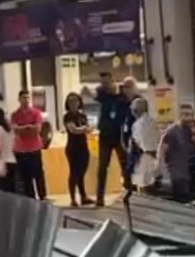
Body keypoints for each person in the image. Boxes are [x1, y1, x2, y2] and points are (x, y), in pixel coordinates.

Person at [93, 72, 132, 206]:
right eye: (102, 83)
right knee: (102, 167)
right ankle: (100, 197)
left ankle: (129, 193)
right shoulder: (102, 96)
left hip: (119, 136)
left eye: (106, 82)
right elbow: (95, 96)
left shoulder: (122, 98)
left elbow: (129, 108)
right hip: (105, 136)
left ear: (112, 81)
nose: (104, 85)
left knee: (125, 165)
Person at [11, 90, 47, 200]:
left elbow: (37, 129)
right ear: (19, 99)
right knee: (26, 176)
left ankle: (42, 196)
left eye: (27, 98)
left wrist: (23, 128)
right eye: (23, 98)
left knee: (38, 174)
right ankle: (30, 198)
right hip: (21, 150)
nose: (26, 100)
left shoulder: (36, 113)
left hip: (34, 148)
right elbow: (15, 130)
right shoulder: (15, 115)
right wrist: (28, 127)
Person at [158, 107, 195, 203]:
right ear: (179, 116)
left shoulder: (188, 132)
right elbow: (161, 151)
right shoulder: (171, 132)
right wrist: (162, 172)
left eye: (191, 115)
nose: (189, 118)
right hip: (176, 174)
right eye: (186, 115)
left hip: (187, 172)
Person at [62, 92, 94, 207]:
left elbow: (89, 128)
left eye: (75, 100)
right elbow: (73, 130)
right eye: (70, 101)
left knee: (81, 173)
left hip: (83, 146)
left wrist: (86, 129)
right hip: (73, 147)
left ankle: (83, 196)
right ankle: (73, 198)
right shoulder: (67, 116)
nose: (73, 103)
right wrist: (84, 129)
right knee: (74, 172)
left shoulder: (82, 115)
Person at [128, 97, 159, 192]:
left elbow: (137, 142)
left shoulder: (137, 124)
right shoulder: (153, 121)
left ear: (135, 110)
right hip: (154, 157)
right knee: (153, 186)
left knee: (142, 187)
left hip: (142, 157)